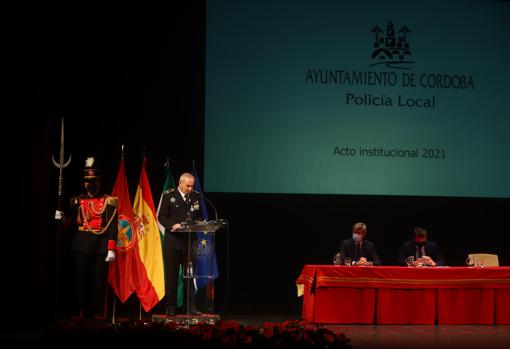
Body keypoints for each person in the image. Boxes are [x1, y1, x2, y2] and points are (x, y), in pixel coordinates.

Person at [55, 157, 117, 319]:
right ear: (84, 183)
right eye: (88, 181)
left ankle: (98, 313)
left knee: (98, 281)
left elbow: (112, 225)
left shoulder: (108, 201)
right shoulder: (77, 201)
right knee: (81, 280)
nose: (91, 184)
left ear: (99, 181)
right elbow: (69, 225)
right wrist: (61, 219)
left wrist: (111, 248)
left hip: (100, 244)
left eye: (94, 181)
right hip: (81, 244)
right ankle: (83, 312)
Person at [158, 172, 203, 316]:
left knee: (189, 277)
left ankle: (190, 307)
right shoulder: (168, 195)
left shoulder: (195, 197)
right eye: (188, 186)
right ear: (180, 183)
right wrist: (173, 225)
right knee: (171, 277)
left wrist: (202, 222)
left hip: (189, 243)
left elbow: (199, 216)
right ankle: (171, 307)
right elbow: (161, 217)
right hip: (173, 243)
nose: (190, 189)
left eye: (192, 186)